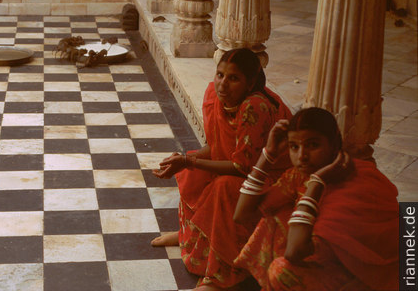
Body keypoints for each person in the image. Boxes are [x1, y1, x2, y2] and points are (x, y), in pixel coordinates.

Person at [151, 48, 292, 290]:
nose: (222, 84)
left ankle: (221, 276)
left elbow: (242, 167)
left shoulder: (255, 106)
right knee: (192, 170)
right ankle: (190, 235)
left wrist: (188, 161)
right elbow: (215, 148)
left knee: (223, 187)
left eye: (233, 78)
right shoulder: (215, 96)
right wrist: (186, 161)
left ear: (250, 84)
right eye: (220, 75)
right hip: (247, 171)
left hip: (272, 179)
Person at [233, 107, 399, 291]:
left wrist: (316, 184)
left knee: (281, 270)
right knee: (272, 220)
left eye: (313, 145)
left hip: (363, 276)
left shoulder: (358, 181)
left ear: (334, 143)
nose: (302, 156)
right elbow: (242, 215)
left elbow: (294, 253)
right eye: (294, 147)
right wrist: (268, 154)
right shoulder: (300, 175)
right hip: (319, 260)